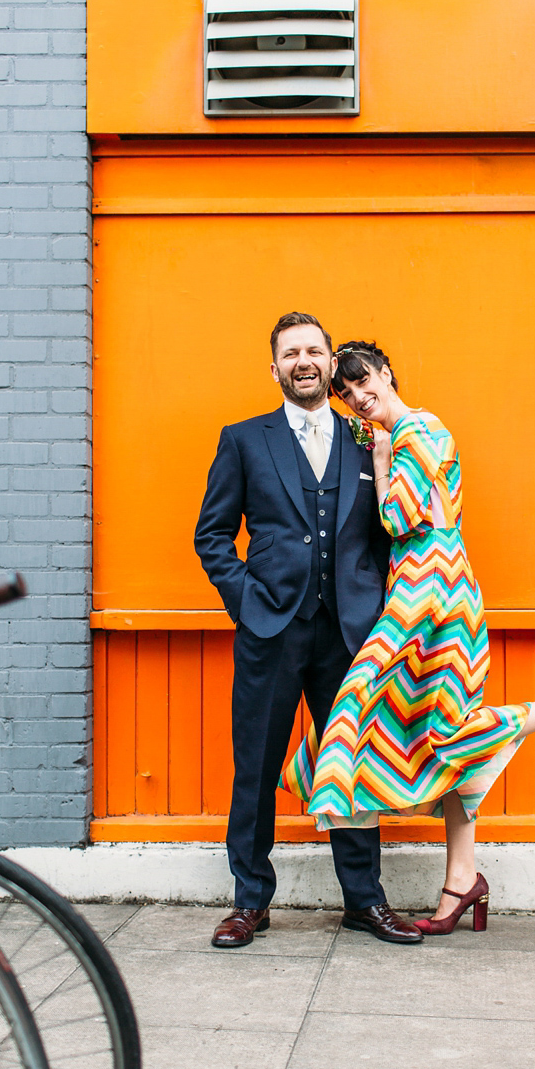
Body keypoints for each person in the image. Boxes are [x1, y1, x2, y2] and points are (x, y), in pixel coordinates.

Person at [281, 341, 535, 935]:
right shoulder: (406, 433)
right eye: (345, 391)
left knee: (368, 715)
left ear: (387, 372)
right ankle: (461, 879)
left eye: (363, 381)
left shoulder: (418, 430)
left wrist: (375, 455)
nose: (356, 396)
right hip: (424, 587)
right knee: (435, 734)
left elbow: (400, 518)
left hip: (433, 592)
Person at [195, 313, 424, 947]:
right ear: (275, 369)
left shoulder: (367, 437)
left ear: (329, 363)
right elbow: (211, 534)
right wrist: (244, 599)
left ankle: (363, 902)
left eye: (314, 351)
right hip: (270, 629)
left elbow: (391, 528)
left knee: (352, 766)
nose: (304, 361)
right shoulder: (243, 439)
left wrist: (381, 604)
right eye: (291, 352)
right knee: (257, 768)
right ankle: (249, 901)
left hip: (352, 632)